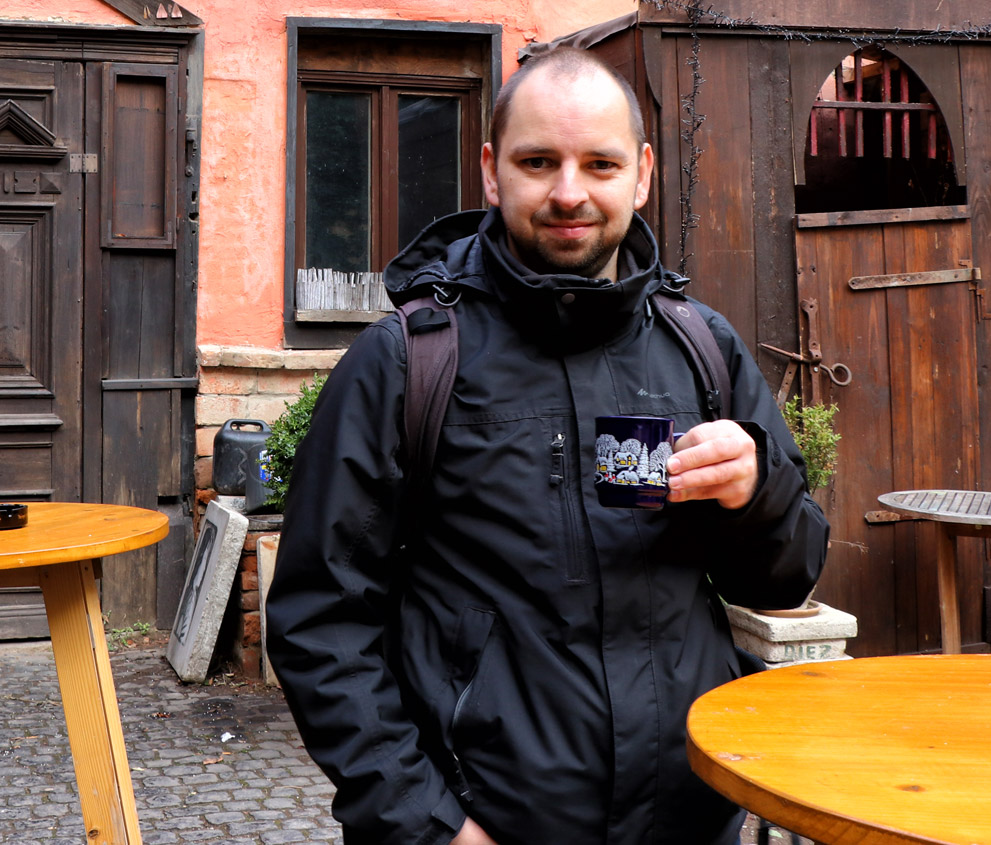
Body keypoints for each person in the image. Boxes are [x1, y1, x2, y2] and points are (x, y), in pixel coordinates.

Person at [266, 46, 829, 845]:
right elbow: (319, 620)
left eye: (599, 164)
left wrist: (756, 490)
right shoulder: (405, 362)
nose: (571, 192)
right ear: (494, 173)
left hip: (689, 820)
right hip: (486, 827)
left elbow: (786, 576)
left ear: (640, 175)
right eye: (540, 162)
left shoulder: (702, 348)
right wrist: (428, 824)